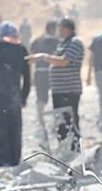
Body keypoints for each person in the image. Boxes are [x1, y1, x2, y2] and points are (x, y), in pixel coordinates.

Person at [28, 18, 84, 153]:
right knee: (61, 122)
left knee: (69, 121)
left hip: (68, 90)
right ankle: (65, 149)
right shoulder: (63, 44)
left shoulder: (75, 43)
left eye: (60, 28)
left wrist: (43, 57)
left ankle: (74, 150)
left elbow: (64, 61)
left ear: (66, 29)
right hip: (59, 90)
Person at [0, 22, 30, 167]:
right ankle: (13, 158)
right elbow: (27, 77)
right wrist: (24, 97)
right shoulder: (22, 49)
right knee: (14, 127)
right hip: (14, 96)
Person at [29, 20, 60, 141]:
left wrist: (31, 75)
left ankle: (40, 121)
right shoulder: (57, 41)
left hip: (39, 72)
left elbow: (31, 58)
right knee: (55, 96)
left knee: (40, 98)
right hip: (53, 72)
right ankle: (56, 119)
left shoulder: (37, 41)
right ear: (54, 29)